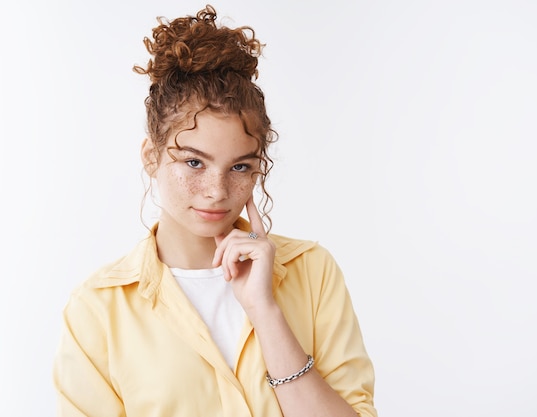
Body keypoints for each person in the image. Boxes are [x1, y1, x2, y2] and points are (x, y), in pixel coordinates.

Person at [52, 4, 377, 417]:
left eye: (240, 166)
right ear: (152, 156)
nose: (217, 191)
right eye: (193, 162)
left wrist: (265, 312)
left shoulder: (312, 272)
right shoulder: (97, 310)